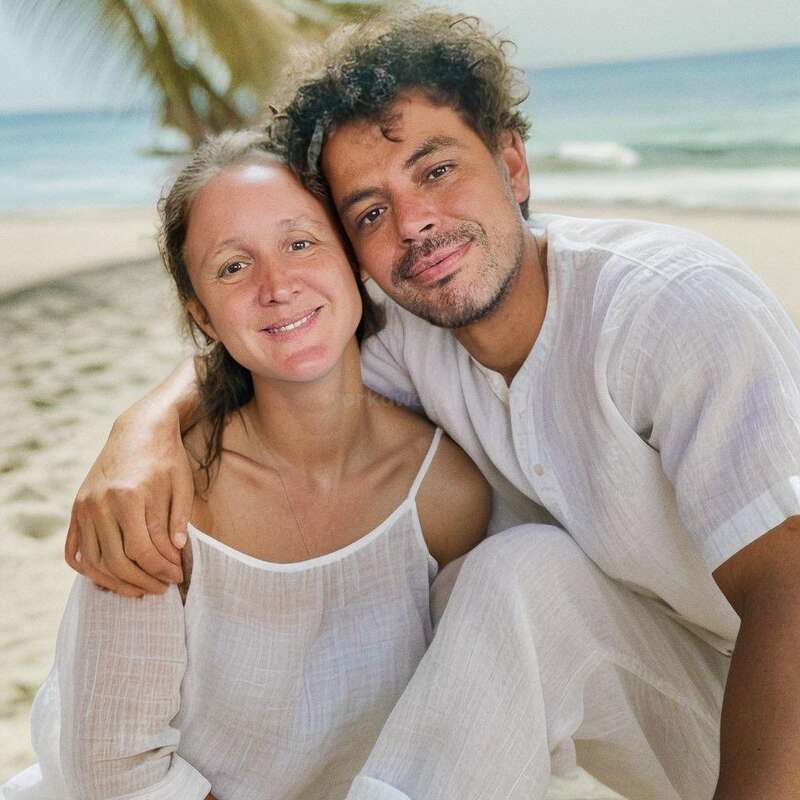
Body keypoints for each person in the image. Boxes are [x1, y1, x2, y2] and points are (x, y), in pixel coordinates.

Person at [61, 8, 800, 800]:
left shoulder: (669, 308)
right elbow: (277, 341)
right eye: (370, 212)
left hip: (776, 706)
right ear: (358, 257)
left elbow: (789, 588)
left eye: (437, 169)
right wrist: (140, 430)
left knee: (528, 578)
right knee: (528, 576)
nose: (414, 223)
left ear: (513, 166)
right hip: (669, 688)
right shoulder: (413, 331)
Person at [0, 130, 491, 800]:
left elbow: (449, 734)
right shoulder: (164, 498)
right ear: (203, 316)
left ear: (354, 262)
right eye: (233, 267)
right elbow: (110, 766)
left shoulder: (445, 495)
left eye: (300, 243)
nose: (277, 286)